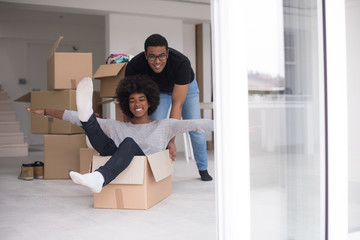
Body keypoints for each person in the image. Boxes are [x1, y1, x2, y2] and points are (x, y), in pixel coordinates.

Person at [25, 75, 213, 193]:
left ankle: (99, 177)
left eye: (141, 99)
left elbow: (196, 124)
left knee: (128, 143)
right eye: (132, 100)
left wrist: (230, 125)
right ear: (126, 104)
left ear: (149, 102)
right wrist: (46, 111)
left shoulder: (164, 125)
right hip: (114, 157)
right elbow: (72, 118)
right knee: (93, 127)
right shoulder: (118, 126)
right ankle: (87, 114)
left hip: (146, 169)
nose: (137, 104)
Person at [125, 33, 212, 181]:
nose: (157, 61)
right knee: (155, 123)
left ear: (168, 53)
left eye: (162, 56)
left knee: (194, 126)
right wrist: (128, 130)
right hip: (159, 91)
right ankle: (153, 168)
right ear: (145, 55)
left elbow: (177, 105)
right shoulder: (134, 66)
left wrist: (171, 141)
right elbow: (129, 101)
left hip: (186, 88)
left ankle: (203, 168)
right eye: (152, 56)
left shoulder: (182, 63)